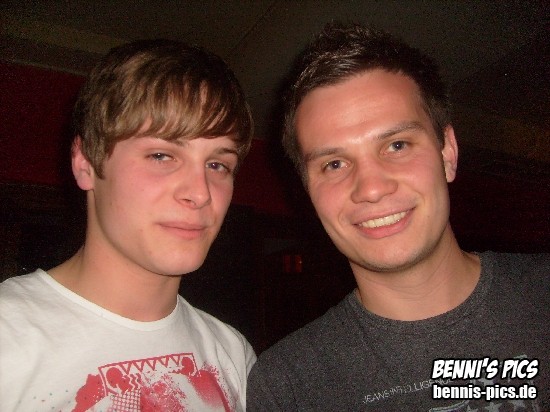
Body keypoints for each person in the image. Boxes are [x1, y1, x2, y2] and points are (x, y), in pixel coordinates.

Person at [247, 22, 549, 411]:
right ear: (308, 191)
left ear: (447, 153)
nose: (371, 188)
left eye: (397, 145)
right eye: (335, 163)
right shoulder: (286, 387)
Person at [0, 39, 256, 411]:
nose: (200, 193)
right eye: (162, 155)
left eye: (217, 164)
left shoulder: (233, 355)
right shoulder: (9, 336)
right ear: (86, 163)